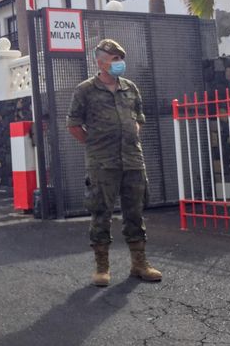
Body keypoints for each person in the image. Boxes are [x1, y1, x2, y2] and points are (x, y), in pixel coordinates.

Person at [66, 39, 163, 287]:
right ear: (100, 62)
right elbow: (74, 124)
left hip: (132, 160)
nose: (119, 63)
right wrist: (95, 144)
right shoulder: (85, 90)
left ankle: (139, 265)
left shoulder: (130, 88)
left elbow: (138, 117)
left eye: (121, 58)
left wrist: (131, 133)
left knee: (135, 212)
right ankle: (102, 268)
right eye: (114, 59)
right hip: (102, 163)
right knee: (101, 213)